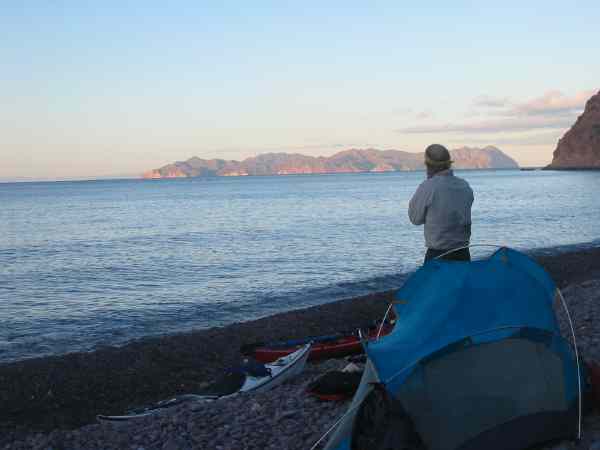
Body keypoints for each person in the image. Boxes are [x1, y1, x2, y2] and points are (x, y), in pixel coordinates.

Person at [408, 144, 474, 263]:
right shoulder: (464, 185)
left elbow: (415, 219)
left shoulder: (428, 187)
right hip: (463, 254)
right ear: (449, 164)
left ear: (428, 165)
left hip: (438, 255)